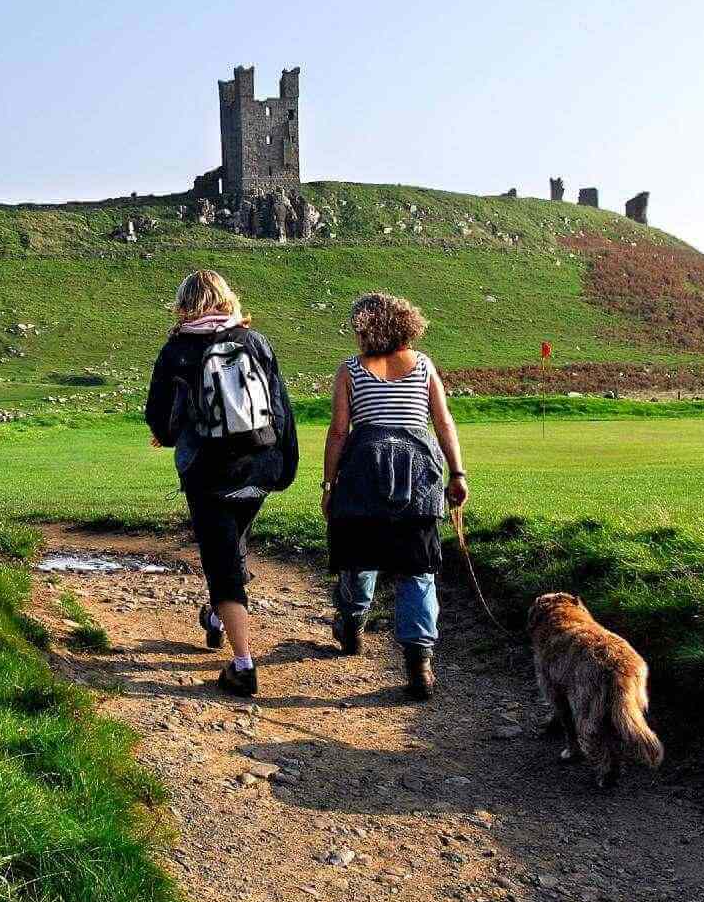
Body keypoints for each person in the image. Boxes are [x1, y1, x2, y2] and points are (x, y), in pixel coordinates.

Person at [145, 269, 299, 697]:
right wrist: (284, 465)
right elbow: (281, 407)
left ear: (184, 304)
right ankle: (216, 617)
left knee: (222, 561)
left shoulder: (177, 350)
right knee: (234, 544)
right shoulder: (254, 341)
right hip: (259, 465)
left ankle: (243, 664)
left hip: (207, 471)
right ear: (226, 298)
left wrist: (169, 434)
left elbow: (158, 415)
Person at [320, 293, 468, 700]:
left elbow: (338, 432)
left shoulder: (350, 370)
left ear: (364, 327)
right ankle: (419, 662)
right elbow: (443, 422)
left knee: (358, 555)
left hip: (363, 471)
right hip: (419, 473)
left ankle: (351, 624)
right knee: (417, 568)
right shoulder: (423, 365)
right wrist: (457, 473)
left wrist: (329, 485)